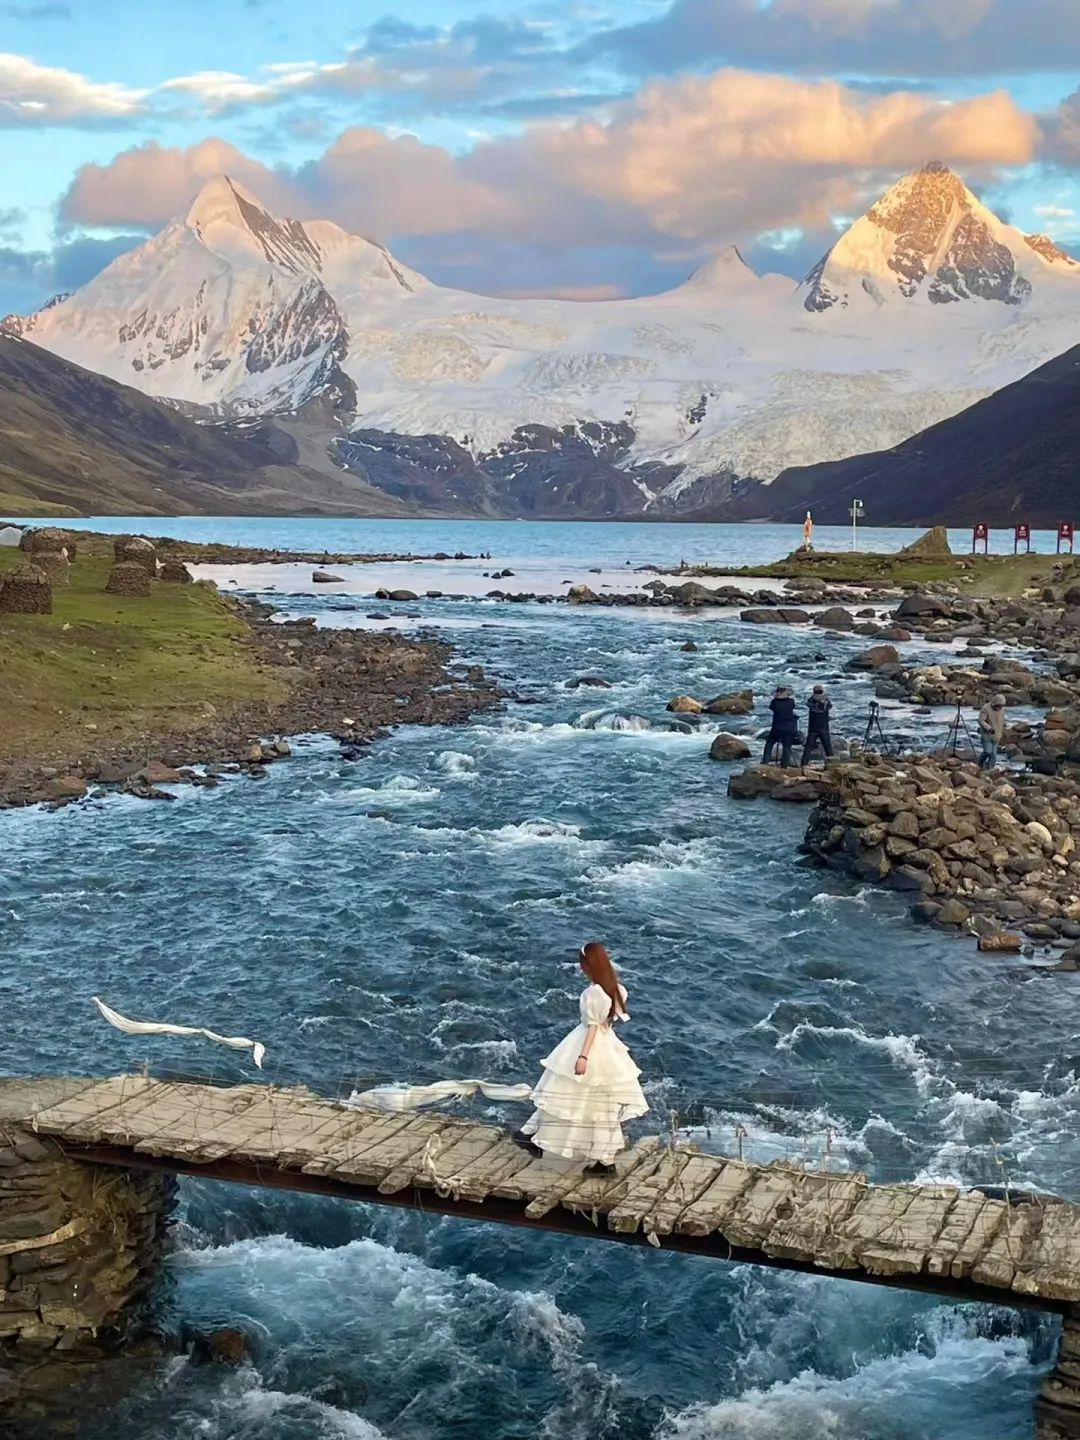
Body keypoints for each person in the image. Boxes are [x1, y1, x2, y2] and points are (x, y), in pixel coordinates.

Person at [516, 942, 649, 1171]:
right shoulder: (618, 989)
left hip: (587, 1043)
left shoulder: (592, 993)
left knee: (562, 1092)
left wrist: (583, 1057)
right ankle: (604, 1160)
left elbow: (593, 1027)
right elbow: (608, 1022)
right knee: (602, 1105)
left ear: (587, 965)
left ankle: (532, 1135)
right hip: (609, 1046)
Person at [762, 685, 798, 768]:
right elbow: (792, 707)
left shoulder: (774, 702)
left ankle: (765, 762)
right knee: (787, 747)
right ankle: (784, 765)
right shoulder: (791, 701)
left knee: (769, 744)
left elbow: (771, 708)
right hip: (788, 728)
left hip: (776, 727)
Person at [801, 685, 833, 766]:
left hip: (813, 728)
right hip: (824, 727)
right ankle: (833, 764)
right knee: (828, 747)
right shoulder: (826, 701)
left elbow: (808, 704)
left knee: (808, 748)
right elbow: (830, 706)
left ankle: (803, 764)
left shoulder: (811, 701)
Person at [978, 694, 1006, 769]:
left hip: (997, 734)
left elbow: (1002, 720)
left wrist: (1004, 728)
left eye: (1001, 705)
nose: (1000, 707)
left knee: (993, 754)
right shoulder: (985, 708)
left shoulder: (1002, 709)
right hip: (986, 734)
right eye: (998, 705)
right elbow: (981, 720)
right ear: (995, 703)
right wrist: (989, 728)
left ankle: (990, 768)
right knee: (988, 751)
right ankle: (979, 762)